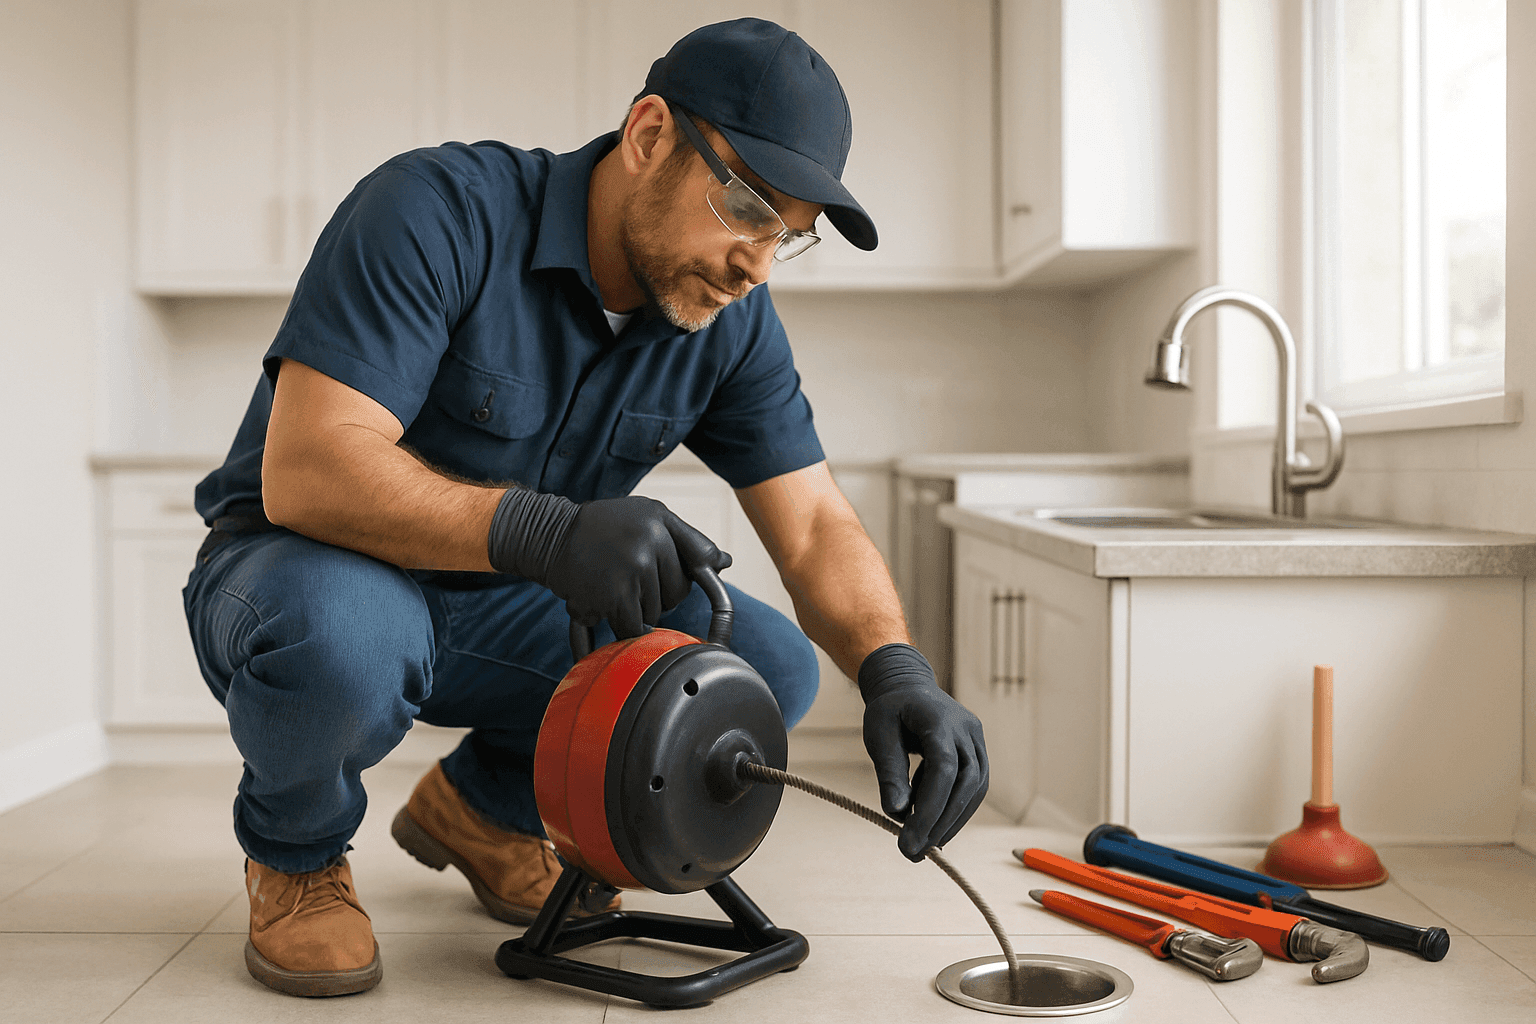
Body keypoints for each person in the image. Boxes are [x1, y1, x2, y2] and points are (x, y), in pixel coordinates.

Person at [183, 17, 988, 998]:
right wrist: (548, 528)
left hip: (496, 605)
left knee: (762, 668)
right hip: (294, 575)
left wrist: (896, 669)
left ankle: (486, 810)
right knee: (350, 633)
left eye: (789, 235)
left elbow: (815, 523)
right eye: (745, 206)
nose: (758, 264)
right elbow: (309, 470)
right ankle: (297, 857)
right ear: (649, 133)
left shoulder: (727, 321)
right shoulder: (436, 209)